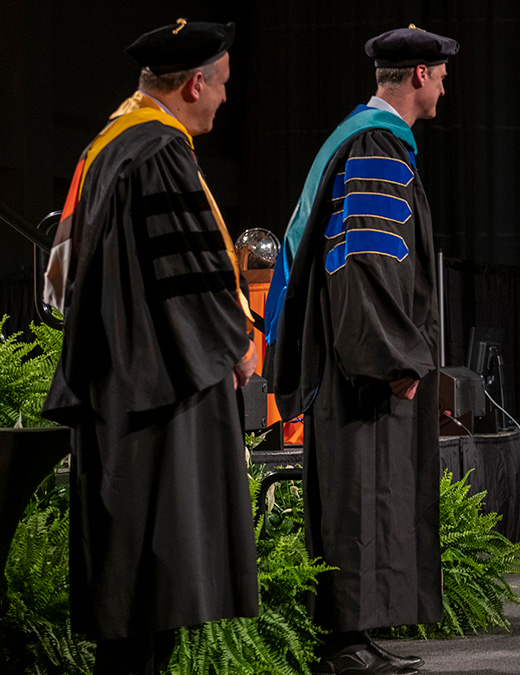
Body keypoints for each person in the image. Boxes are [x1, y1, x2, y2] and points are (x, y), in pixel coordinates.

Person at [41, 20, 259, 674]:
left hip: (116, 393)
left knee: (128, 605)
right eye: (221, 86)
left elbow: (54, 288)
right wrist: (235, 342)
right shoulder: (158, 151)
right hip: (156, 401)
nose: (224, 99)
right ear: (194, 84)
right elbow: (186, 270)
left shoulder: (104, 148)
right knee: (147, 594)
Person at [265, 25, 456, 675]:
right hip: (357, 362)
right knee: (354, 493)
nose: (447, 83)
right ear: (421, 76)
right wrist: (392, 357)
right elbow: (364, 259)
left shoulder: (363, 138)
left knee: (362, 493)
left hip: (350, 356)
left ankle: (355, 635)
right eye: (442, 71)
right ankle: (343, 644)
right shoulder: (374, 143)